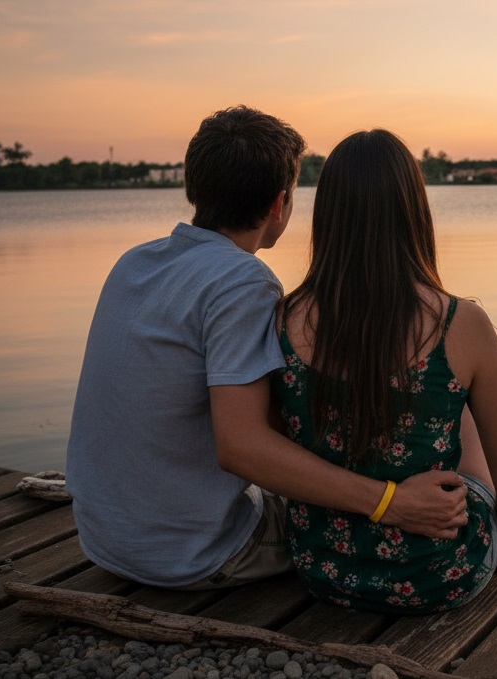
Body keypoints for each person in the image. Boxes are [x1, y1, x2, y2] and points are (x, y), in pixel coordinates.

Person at [66, 107, 469, 590]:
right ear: (280, 204)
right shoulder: (241, 281)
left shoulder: (134, 263)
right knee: (350, 517)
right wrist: (390, 500)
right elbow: (242, 449)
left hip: (105, 538)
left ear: (196, 189)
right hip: (190, 554)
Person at [271, 129, 497, 614]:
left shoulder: (282, 318)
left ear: (327, 214)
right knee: (462, 404)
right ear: (414, 209)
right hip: (439, 573)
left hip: (324, 569)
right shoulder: (461, 323)